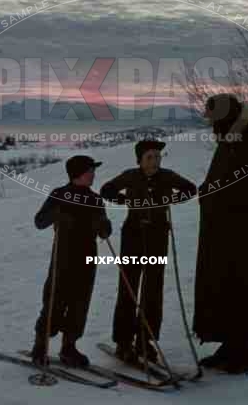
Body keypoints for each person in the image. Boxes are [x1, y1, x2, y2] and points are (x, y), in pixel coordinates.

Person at [193, 93, 248, 374]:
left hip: (245, 233)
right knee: (222, 287)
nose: (211, 126)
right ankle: (229, 345)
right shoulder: (231, 140)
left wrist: (220, 199)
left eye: (213, 119)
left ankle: (242, 352)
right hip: (222, 232)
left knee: (242, 287)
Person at [100, 139, 197, 364]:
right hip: (133, 234)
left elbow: (190, 189)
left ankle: (146, 339)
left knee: (153, 287)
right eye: (150, 157)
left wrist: (170, 199)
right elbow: (107, 189)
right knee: (129, 286)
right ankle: (123, 341)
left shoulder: (167, 176)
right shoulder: (131, 175)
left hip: (157, 235)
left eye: (158, 156)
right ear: (140, 160)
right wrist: (124, 199)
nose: (155, 161)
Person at [31, 155, 112, 368]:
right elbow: (39, 221)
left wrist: (102, 224)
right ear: (77, 173)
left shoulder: (95, 199)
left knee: (80, 303)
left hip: (87, 258)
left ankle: (69, 347)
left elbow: (105, 233)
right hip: (63, 257)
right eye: (90, 170)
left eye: (93, 170)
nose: (93, 174)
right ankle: (40, 345)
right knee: (54, 301)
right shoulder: (59, 195)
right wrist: (57, 213)